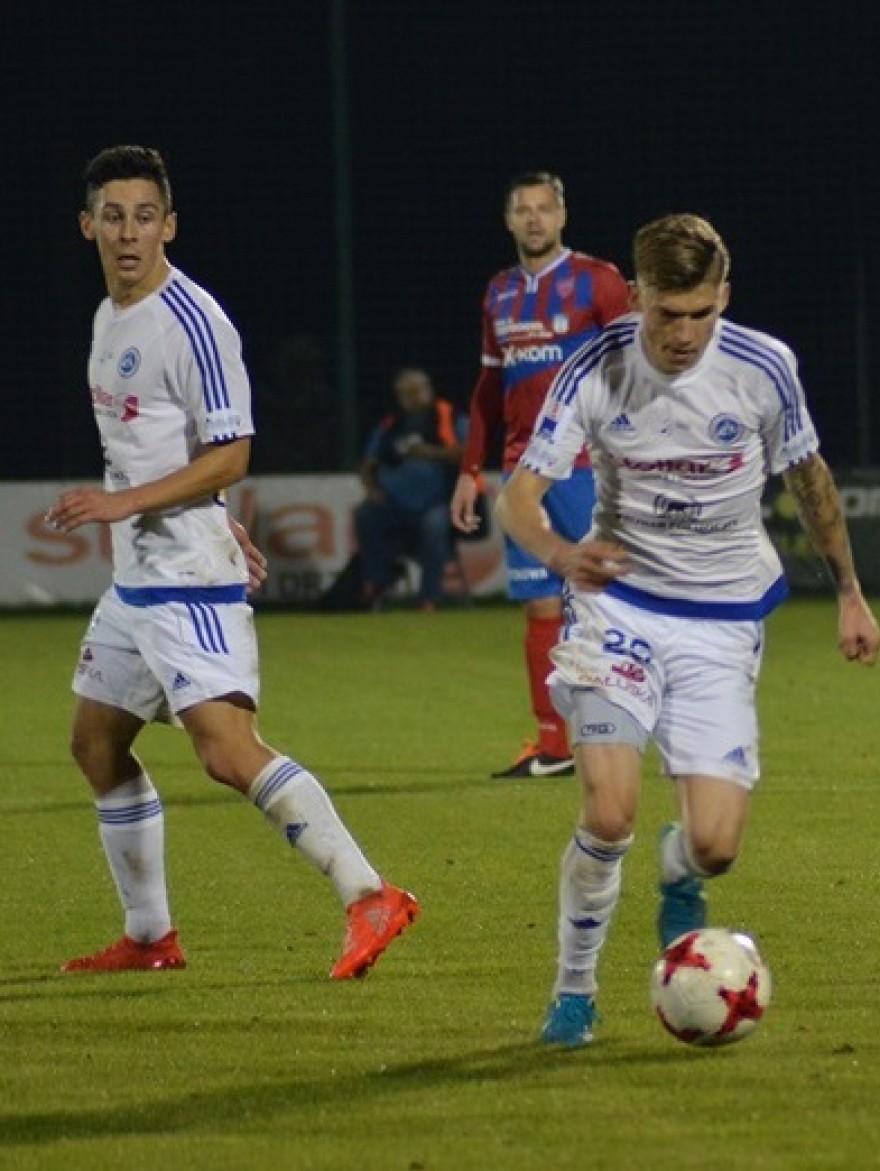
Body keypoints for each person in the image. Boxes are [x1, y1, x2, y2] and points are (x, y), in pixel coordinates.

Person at [494, 213, 880, 1047]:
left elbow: (810, 480)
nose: (683, 333)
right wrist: (561, 553)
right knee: (608, 813)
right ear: (636, 295)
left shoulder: (763, 367)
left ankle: (678, 871)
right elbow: (518, 496)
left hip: (722, 622)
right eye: (667, 312)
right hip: (619, 610)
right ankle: (574, 991)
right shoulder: (592, 368)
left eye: (701, 312)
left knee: (715, 846)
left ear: (724, 297)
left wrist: (850, 591)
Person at [48, 144, 419, 978]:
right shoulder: (109, 318)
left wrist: (134, 506)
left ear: (170, 225)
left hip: (186, 583)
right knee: (96, 743)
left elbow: (232, 450)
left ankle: (369, 893)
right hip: (139, 580)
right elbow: (170, 452)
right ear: (87, 226)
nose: (129, 233)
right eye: (114, 217)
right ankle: (151, 937)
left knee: (225, 750)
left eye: (145, 217)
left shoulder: (194, 322)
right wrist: (213, 514)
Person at [451, 171, 631, 779]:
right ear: (508, 220)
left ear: (562, 216)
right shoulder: (499, 292)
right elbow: (489, 387)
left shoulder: (598, 280)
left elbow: (633, 368)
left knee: (611, 600)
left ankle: (632, 723)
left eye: (544, 208)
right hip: (523, 472)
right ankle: (553, 745)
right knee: (540, 606)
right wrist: (470, 469)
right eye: (523, 210)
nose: (534, 219)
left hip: (585, 465)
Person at [355, 367, 463, 611]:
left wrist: (431, 453)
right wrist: (372, 489)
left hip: (437, 503)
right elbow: (368, 464)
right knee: (365, 514)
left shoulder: (449, 416)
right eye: (406, 394)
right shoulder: (390, 424)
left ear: (429, 390)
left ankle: (430, 598)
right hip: (393, 504)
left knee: (434, 526)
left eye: (417, 392)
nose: (412, 399)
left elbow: (469, 453)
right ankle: (375, 583)